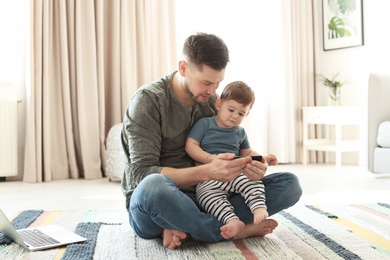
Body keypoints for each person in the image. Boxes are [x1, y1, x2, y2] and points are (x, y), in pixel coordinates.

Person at [121, 32, 302, 250]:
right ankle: (232, 230)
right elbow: (140, 174)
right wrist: (208, 171)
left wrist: (255, 165)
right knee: (153, 187)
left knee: (289, 185)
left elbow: (237, 148)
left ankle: (186, 227)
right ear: (183, 68)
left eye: (218, 83)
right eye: (206, 82)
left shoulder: (212, 102)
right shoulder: (148, 101)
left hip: (210, 198)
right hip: (158, 203)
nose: (213, 92)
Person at [185, 81, 269, 239]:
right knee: (206, 197)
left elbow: (248, 152)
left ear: (247, 114)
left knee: (253, 181)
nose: (235, 116)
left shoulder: (240, 132)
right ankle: (232, 220)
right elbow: (191, 146)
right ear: (219, 104)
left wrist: (262, 159)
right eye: (231, 110)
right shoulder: (205, 124)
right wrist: (211, 159)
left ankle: (258, 207)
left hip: (235, 173)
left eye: (241, 114)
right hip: (208, 178)